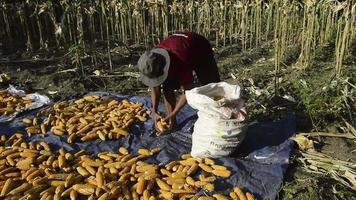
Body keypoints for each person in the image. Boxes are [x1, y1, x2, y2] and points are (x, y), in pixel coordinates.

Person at [137, 32, 220, 133]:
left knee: (213, 88)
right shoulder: (153, 59)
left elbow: (188, 90)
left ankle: (218, 118)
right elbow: (155, 86)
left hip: (200, 49)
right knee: (168, 86)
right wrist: (154, 110)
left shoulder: (181, 60)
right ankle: (172, 123)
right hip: (178, 47)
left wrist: (175, 112)